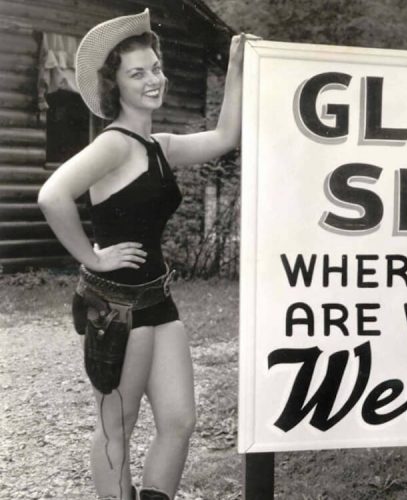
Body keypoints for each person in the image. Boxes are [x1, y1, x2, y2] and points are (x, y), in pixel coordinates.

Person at [37, 9, 254, 500]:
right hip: (115, 305)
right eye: (138, 73)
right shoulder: (113, 145)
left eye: (155, 68)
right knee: (119, 425)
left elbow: (225, 138)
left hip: (158, 300)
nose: (153, 79)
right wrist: (92, 258)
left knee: (179, 421)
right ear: (115, 85)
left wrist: (237, 68)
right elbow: (52, 195)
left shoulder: (158, 145)